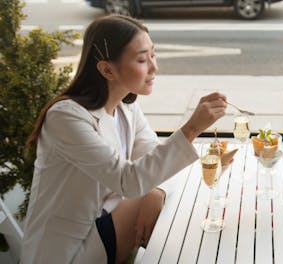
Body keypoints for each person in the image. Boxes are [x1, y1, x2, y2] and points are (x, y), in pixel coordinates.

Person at [21, 14, 227, 263]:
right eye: (142, 59)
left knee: (169, 208)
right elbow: (128, 181)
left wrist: (157, 191)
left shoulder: (125, 108)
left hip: (105, 223)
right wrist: (192, 128)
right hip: (65, 250)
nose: (154, 67)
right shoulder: (65, 117)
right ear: (107, 69)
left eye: (153, 54)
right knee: (171, 223)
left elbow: (155, 161)